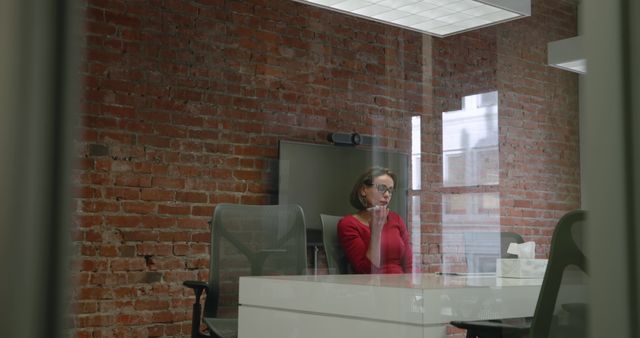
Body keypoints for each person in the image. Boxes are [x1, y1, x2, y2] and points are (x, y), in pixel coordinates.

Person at [337, 166, 412, 274]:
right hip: (373, 287)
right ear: (363, 190)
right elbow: (366, 271)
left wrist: (412, 288)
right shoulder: (348, 224)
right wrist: (376, 233)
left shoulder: (396, 219)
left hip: (401, 286)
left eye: (390, 190)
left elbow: (409, 265)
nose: (387, 195)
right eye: (381, 188)